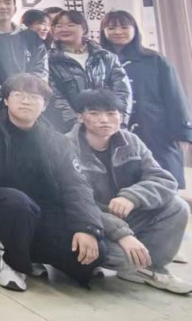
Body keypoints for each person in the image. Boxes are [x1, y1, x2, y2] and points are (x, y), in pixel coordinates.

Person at [0, 73, 106, 291]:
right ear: (5, 100)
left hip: (40, 210)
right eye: (18, 95)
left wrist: (86, 227)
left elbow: (76, 185)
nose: (26, 101)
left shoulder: (56, 141)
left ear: (45, 105)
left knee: (95, 253)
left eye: (34, 97)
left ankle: (30, 252)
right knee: (17, 203)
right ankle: (14, 264)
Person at [67, 89, 191, 294]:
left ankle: (149, 268)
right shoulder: (66, 146)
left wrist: (132, 197)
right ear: (80, 117)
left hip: (127, 216)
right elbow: (77, 203)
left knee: (177, 206)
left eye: (111, 113)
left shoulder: (131, 141)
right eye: (95, 113)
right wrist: (122, 234)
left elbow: (164, 179)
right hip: (89, 224)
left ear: (121, 117)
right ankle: (135, 265)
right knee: (122, 257)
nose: (104, 120)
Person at [100, 10, 191, 189]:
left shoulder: (154, 59)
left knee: (163, 182)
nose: (118, 32)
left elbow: (174, 96)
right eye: (111, 28)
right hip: (113, 130)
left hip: (156, 129)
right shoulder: (99, 61)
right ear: (103, 32)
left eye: (124, 27)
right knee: (123, 184)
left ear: (134, 29)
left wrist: (183, 132)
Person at [46, 10, 131, 132]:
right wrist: (79, 126)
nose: (64, 29)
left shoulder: (106, 57)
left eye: (70, 25)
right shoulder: (48, 60)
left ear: (84, 28)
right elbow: (55, 98)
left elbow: (123, 91)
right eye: (58, 26)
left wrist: (118, 122)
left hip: (109, 127)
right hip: (71, 130)